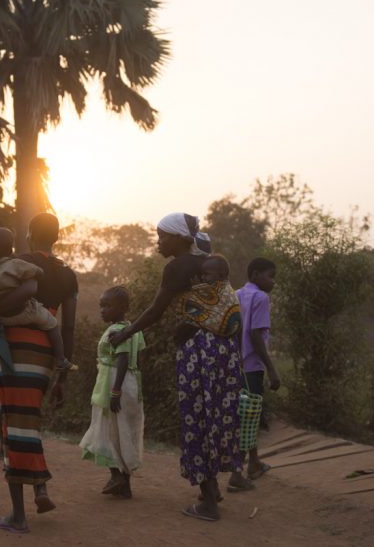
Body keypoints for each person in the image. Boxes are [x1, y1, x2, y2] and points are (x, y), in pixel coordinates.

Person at [110, 212, 242, 522]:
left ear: (181, 238)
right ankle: (213, 488)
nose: (158, 241)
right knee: (215, 417)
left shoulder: (177, 268)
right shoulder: (209, 263)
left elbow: (155, 311)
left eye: (163, 236)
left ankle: (209, 502)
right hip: (224, 350)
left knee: (196, 417)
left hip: (198, 352)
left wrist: (125, 333)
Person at [0, 212, 78, 535]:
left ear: (30, 235)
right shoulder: (68, 274)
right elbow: (68, 326)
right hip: (47, 352)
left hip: (15, 349)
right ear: (57, 238)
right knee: (27, 420)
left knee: (13, 424)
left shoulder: (16, 263)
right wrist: (63, 374)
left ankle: (18, 515)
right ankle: (40, 485)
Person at [0, 228, 75, 371]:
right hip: (26, 312)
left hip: (2, 318)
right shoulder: (16, 264)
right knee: (52, 324)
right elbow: (37, 272)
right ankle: (61, 359)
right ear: (10, 249)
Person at [79, 286, 145, 499]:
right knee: (123, 432)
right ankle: (124, 484)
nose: (102, 310)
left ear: (124, 308)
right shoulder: (135, 330)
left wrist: (115, 391)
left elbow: (123, 358)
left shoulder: (116, 331)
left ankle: (116, 476)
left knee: (109, 432)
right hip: (132, 384)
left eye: (107, 306)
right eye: (101, 306)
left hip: (114, 384)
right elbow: (138, 359)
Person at [228, 257, 280, 492]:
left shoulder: (237, 294)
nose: (273, 282)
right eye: (270, 276)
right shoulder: (261, 297)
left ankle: (254, 462)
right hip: (252, 366)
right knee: (248, 418)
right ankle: (237, 473)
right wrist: (271, 368)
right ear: (256, 274)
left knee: (244, 416)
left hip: (235, 365)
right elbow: (256, 334)